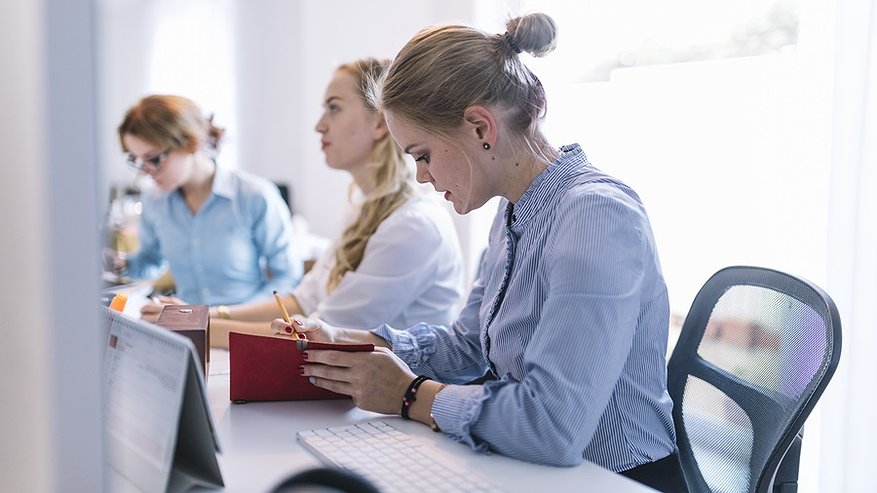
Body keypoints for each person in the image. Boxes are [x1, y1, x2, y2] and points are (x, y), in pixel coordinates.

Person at [274, 14, 687, 493]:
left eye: (423, 154)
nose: (422, 176)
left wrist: (410, 395)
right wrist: (351, 340)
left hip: (611, 479)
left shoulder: (596, 218)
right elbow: (467, 348)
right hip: (531, 469)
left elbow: (552, 426)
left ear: (479, 127)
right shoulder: (513, 212)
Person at [146, 58, 465, 349]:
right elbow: (302, 301)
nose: (319, 125)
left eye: (334, 108)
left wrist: (195, 324)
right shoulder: (364, 208)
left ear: (381, 122)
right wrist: (199, 314)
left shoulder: (411, 225)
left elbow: (318, 335)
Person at [112, 95, 302, 307]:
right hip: (186, 329)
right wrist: (119, 263)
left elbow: (288, 278)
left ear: (191, 143)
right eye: (136, 160)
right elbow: (151, 261)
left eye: (154, 159)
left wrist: (227, 317)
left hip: (244, 328)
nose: (146, 172)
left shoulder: (254, 196)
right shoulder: (154, 201)